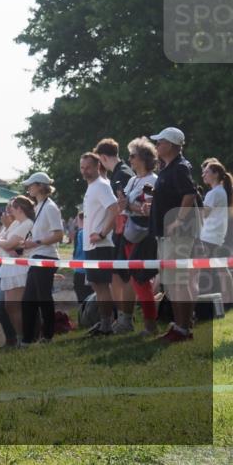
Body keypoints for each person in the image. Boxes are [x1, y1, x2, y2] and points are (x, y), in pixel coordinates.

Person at [143, 127, 199, 344]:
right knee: (173, 282)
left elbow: (189, 193)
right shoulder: (169, 168)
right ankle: (181, 325)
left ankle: (183, 328)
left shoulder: (180, 168)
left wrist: (178, 220)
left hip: (177, 234)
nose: (156, 146)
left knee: (178, 282)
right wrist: (156, 194)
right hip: (167, 233)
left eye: (160, 142)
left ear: (172, 145)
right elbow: (176, 193)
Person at [112, 138, 160, 336]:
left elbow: (148, 210)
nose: (129, 159)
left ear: (143, 158)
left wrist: (128, 206)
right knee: (135, 280)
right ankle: (142, 322)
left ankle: (150, 325)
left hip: (145, 235)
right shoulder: (133, 180)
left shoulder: (153, 181)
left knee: (141, 280)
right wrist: (123, 203)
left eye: (132, 155)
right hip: (130, 234)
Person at [80, 151, 122, 337]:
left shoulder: (101, 186)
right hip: (92, 246)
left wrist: (103, 233)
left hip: (101, 245)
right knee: (97, 286)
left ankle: (107, 325)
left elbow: (115, 210)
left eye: (88, 167)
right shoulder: (93, 186)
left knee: (103, 286)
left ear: (98, 166)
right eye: (82, 167)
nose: (84, 171)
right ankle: (104, 323)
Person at [19, 173, 65, 345]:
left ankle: (47, 336)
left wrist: (35, 242)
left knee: (42, 298)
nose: (28, 188)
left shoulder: (50, 207)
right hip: (37, 256)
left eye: (31, 185)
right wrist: (30, 243)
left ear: (39, 186)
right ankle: (29, 338)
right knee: (30, 300)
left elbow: (59, 234)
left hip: (46, 257)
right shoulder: (39, 207)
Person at [0, 197, 35, 345]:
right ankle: (20, 337)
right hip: (9, 267)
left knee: (14, 305)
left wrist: (0, 242)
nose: (9, 210)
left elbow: (8, 243)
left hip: (19, 268)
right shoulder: (16, 223)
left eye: (12, 207)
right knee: (9, 306)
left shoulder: (28, 223)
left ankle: (24, 338)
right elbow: (4, 241)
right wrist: (2, 242)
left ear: (20, 209)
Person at [198, 157, 233, 306]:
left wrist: (196, 199)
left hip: (210, 236)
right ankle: (227, 299)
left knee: (210, 268)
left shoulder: (215, 193)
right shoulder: (218, 191)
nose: (203, 175)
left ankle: (225, 299)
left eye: (206, 172)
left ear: (216, 174)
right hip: (213, 235)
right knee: (220, 267)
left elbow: (203, 213)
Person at [0, 210, 18, 349]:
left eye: (7, 211)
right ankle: (10, 338)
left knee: (2, 306)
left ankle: (15, 338)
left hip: (9, 267)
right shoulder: (4, 229)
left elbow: (9, 247)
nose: (3, 214)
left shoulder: (17, 227)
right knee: (2, 307)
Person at [71, 212, 94, 307]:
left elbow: (78, 251)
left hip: (81, 269)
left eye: (77, 219)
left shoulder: (81, 233)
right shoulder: (90, 232)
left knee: (82, 296)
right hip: (89, 269)